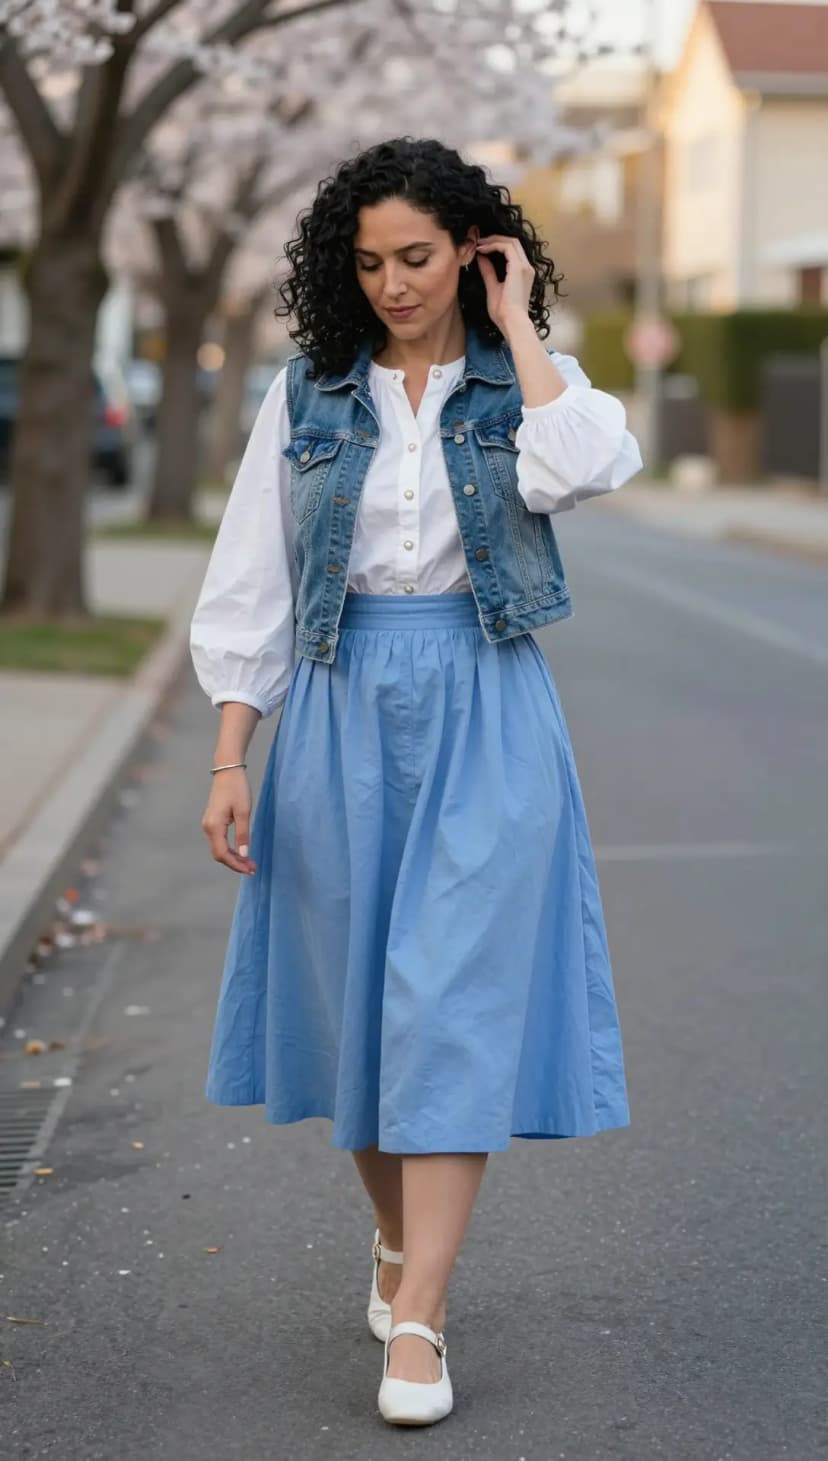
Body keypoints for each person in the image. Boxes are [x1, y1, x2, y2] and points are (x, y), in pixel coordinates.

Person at [189, 136, 642, 1428]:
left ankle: (424, 1318)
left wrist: (519, 320)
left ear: (471, 249)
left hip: (485, 702)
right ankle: (395, 1243)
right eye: (371, 261)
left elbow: (593, 461)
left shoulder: (522, 387)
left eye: (420, 257)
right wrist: (233, 752)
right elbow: (251, 582)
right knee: (360, 1015)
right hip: (336, 708)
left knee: (445, 999)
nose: (393, 283)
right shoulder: (310, 397)